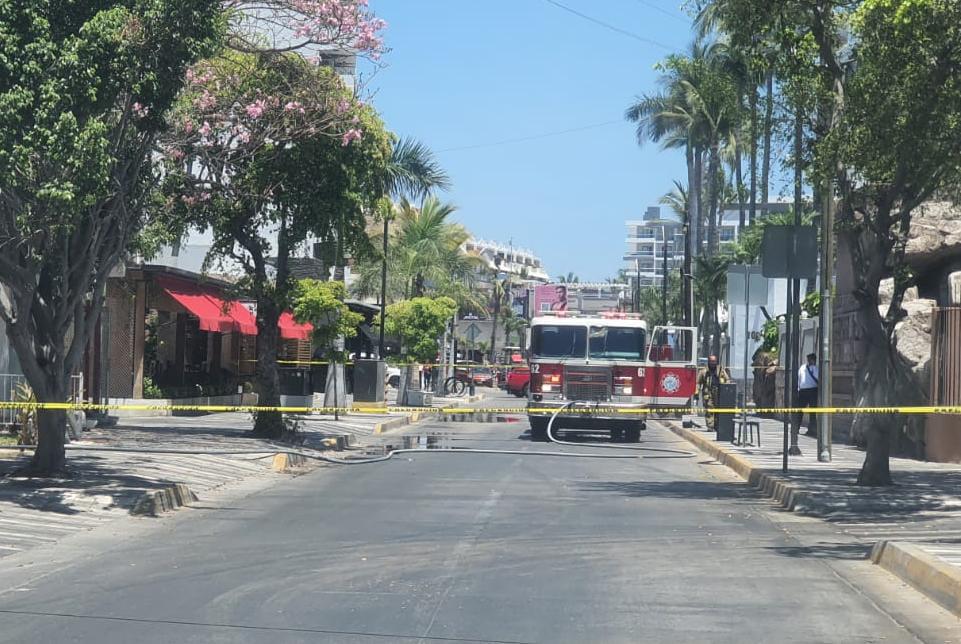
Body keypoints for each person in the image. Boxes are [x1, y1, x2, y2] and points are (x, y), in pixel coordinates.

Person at [698, 355, 729, 430]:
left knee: (718, 409)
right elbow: (698, 382)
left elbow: (727, 379)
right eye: (711, 361)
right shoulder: (703, 371)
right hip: (708, 392)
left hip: (719, 392)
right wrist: (697, 392)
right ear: (708, 362)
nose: (713, 363)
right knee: (709, 409)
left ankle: (717, 426)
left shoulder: (721, 370)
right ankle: (710, 426)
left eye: (714, 361)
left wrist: (726, 388)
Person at [797, 352, 819, 436]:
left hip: (809, 391)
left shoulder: (812, 368)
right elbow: (799, 378)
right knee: (801, 411)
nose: (811, 361)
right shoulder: (804, 367)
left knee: (810, 411)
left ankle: (810, 430)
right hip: (807, 391)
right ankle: (798, 428)